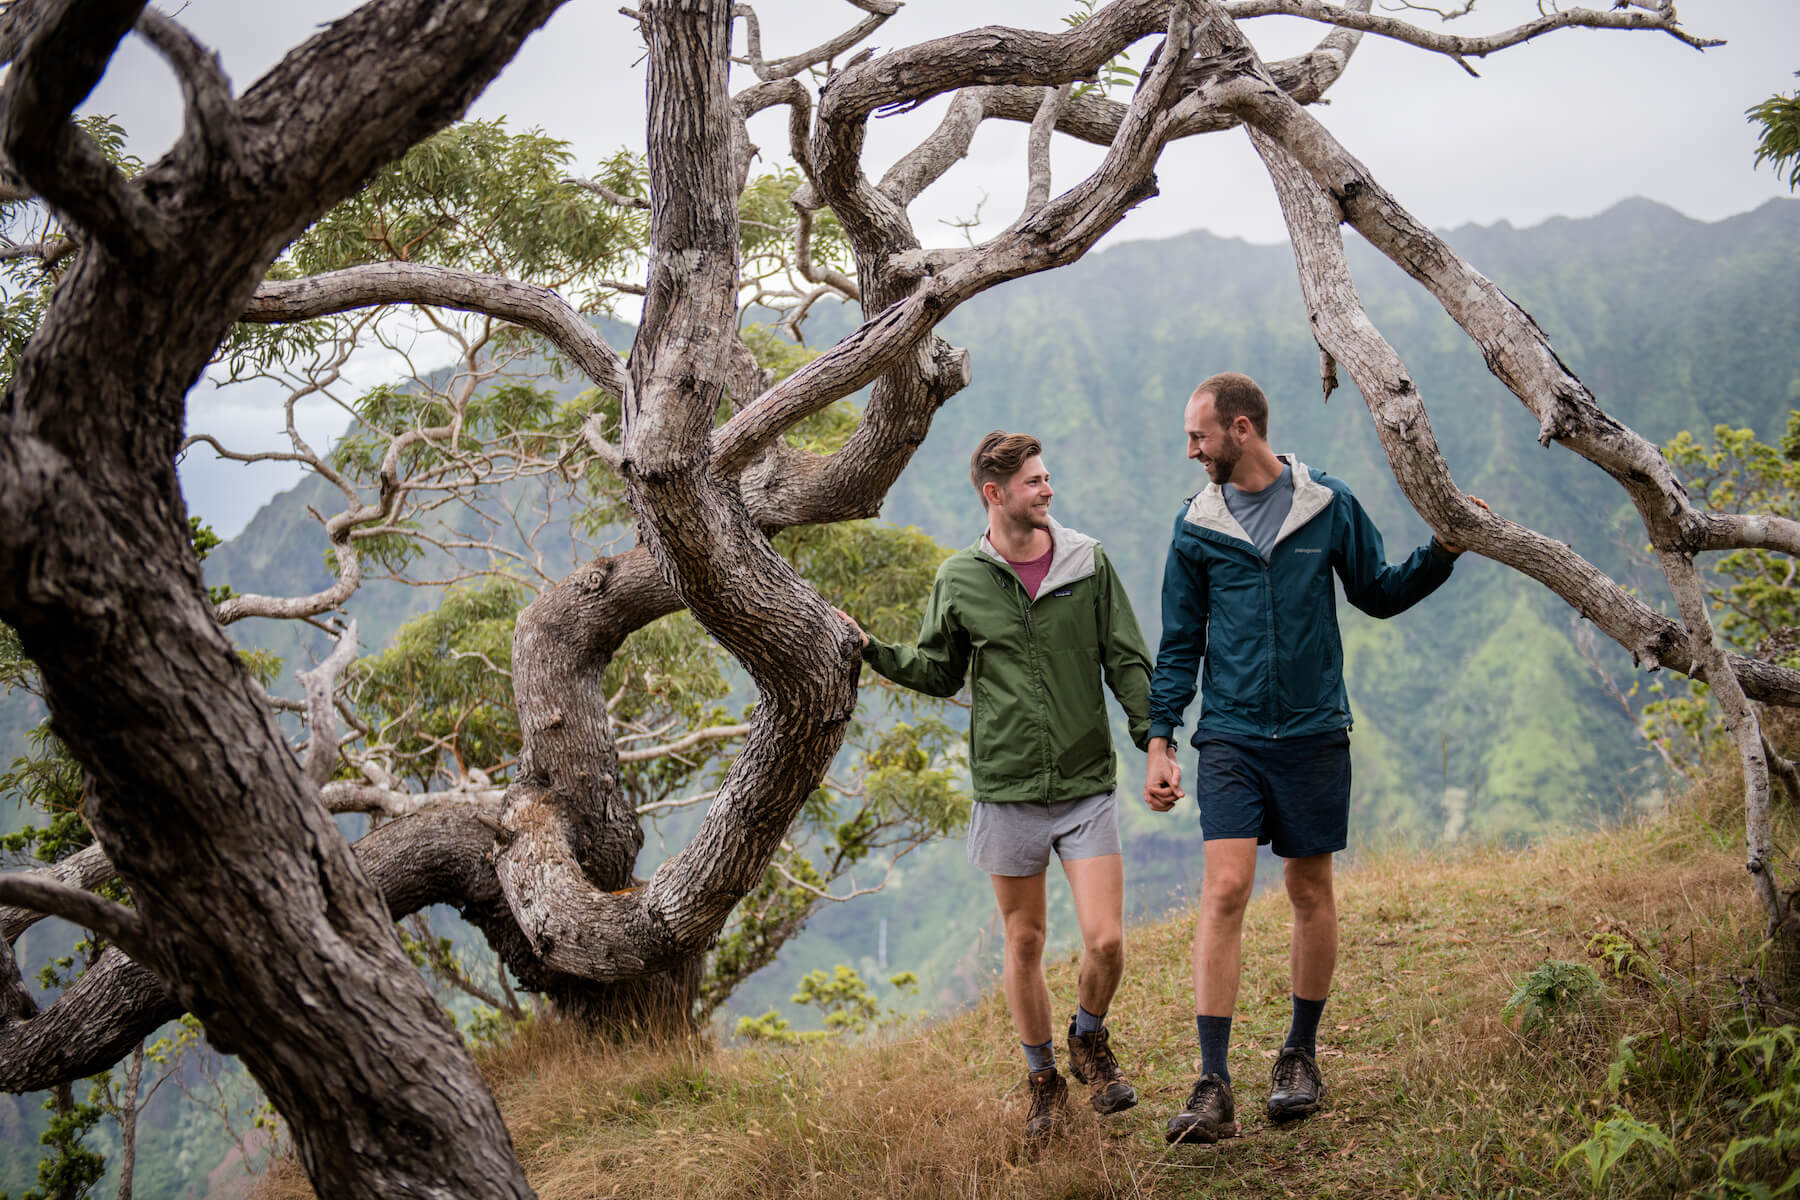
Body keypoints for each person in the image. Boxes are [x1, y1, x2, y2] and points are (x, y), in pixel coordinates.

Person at [1144, 372, 1483, 1145]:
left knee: (1308, 887)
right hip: (1229, 735)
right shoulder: (1194, 527)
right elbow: (1179, 644)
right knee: (1224, 890)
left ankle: (1299, 1055)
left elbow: (1379, 592)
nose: (1190, 450)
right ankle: (1212, 1084)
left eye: (1198, 436)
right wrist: (1162, 740)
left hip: (1312, 733)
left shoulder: (1326, 504)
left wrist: (1446, 550)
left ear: (1241, 429)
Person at [838, 430, 1154, 1143]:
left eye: (1046, 479)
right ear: (995, 493)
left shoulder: (1086, 561)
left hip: (1085, 784)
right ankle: (1043, 1080)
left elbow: (1127, 659)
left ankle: (1088, 1038)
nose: (1048, 490)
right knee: (1026, 942)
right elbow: (939, 671)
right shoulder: (961, 579)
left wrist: (1153, 739)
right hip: (1008, 789)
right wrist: (871, 650)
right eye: (1035, 482)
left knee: (1105, 942)